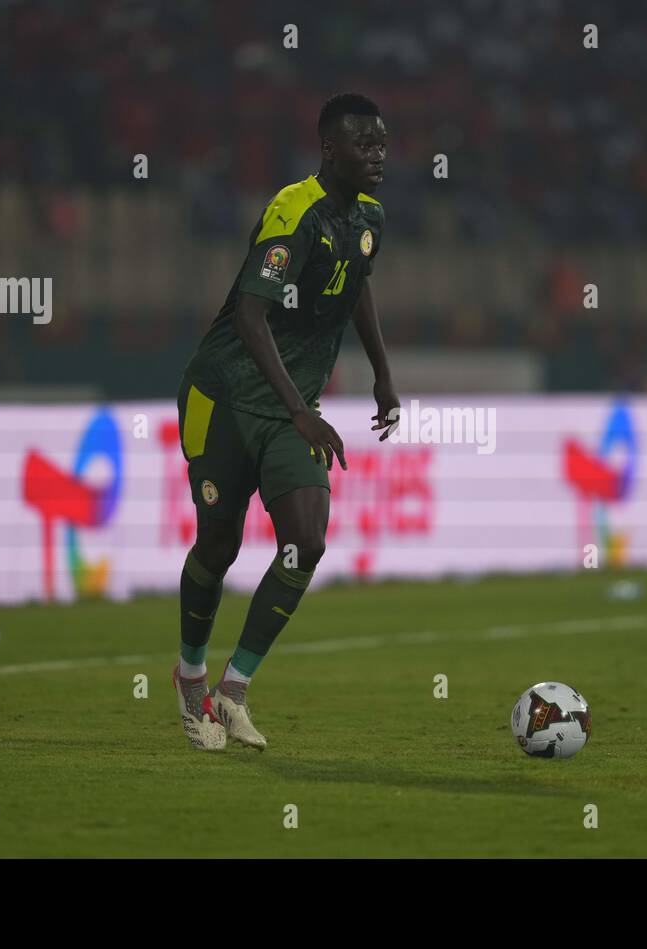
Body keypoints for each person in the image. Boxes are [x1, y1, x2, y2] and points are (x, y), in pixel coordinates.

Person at [171, 93, 397, 751]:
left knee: (306, 541)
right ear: (330, 149)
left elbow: (356, 284)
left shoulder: (371, 219)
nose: (377, 154)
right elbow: (250, 314)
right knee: (219, 548)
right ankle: (190, 681)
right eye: (363, 143)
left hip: (289, 411)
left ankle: (232, 690)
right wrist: (300, 409)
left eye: (382, 143)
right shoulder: (292, 211)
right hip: (224, 397)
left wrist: (382, 370)